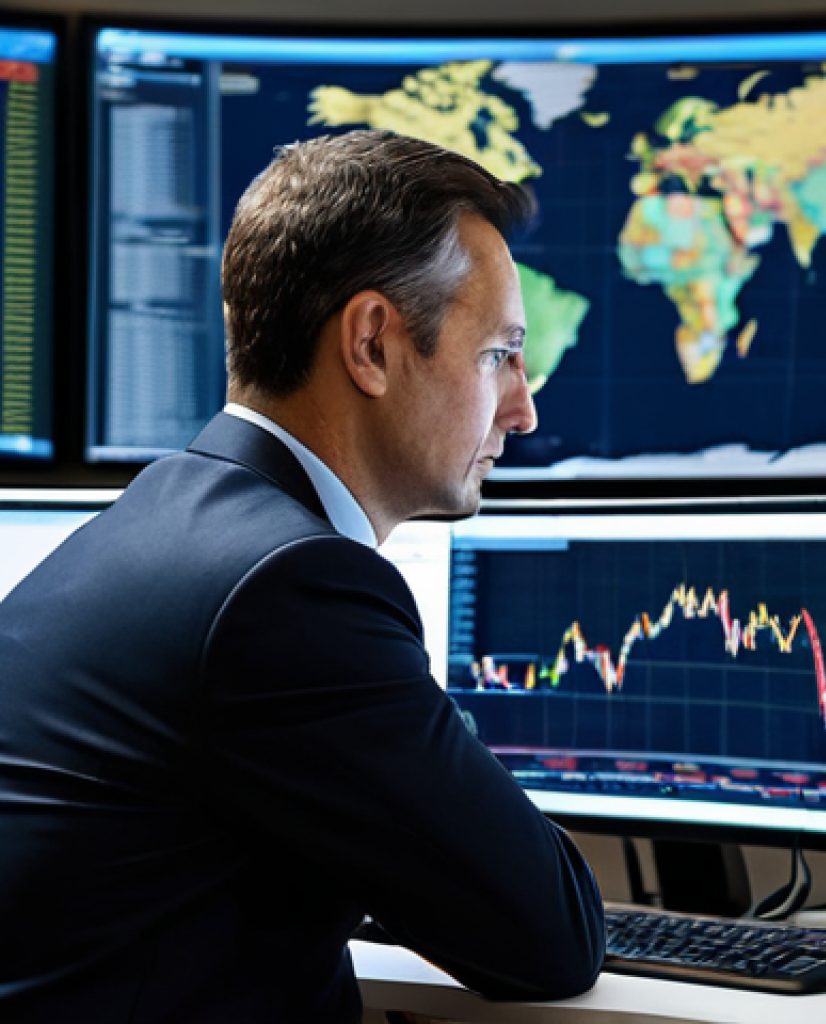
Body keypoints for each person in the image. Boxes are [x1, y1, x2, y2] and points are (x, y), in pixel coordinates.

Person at [0, 130, 605, 1023]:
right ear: (371, 344)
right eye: (498, 355)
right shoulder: (291, 587)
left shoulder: (168, 514)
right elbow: (550, 938)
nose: (522, 409)